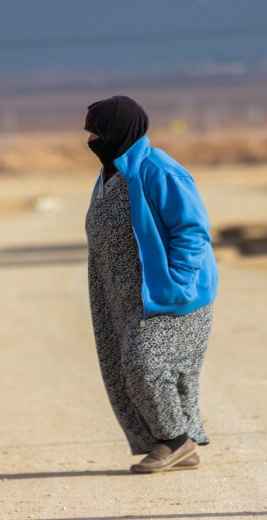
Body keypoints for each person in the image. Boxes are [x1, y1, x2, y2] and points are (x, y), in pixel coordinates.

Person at [83, 95, 218, 474]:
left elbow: (192, 229)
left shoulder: (157, 169)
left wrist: (178, 281)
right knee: (123, 370)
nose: (91, 140)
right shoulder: (111, 174)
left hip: (169, 294)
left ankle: (176, 440)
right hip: (122, 299)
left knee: (145, 365)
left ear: (117, 130)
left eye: (96, 132)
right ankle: (171, 441)